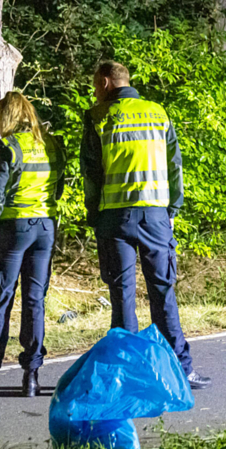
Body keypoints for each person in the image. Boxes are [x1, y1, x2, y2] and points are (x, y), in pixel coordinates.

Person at [80, 61, 211, 389]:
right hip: (155, 215)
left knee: (122, 295)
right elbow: (174, 164)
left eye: (96, 86)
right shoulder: (157, 112)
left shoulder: (97, 117)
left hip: (115, 217)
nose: (95, 93)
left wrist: (94, 215)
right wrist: (172, 208)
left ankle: (125, 374)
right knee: (163, 291)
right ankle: (180, 369)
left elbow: (91, 172)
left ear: (106, 82)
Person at [0, 92, 65, 398]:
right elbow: (57, 190)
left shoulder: (8, 147)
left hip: (12, 228)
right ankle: (31, 377)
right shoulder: (51, 144)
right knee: (35, 300)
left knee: (2, 298)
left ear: (8, 116)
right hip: (45, 227)